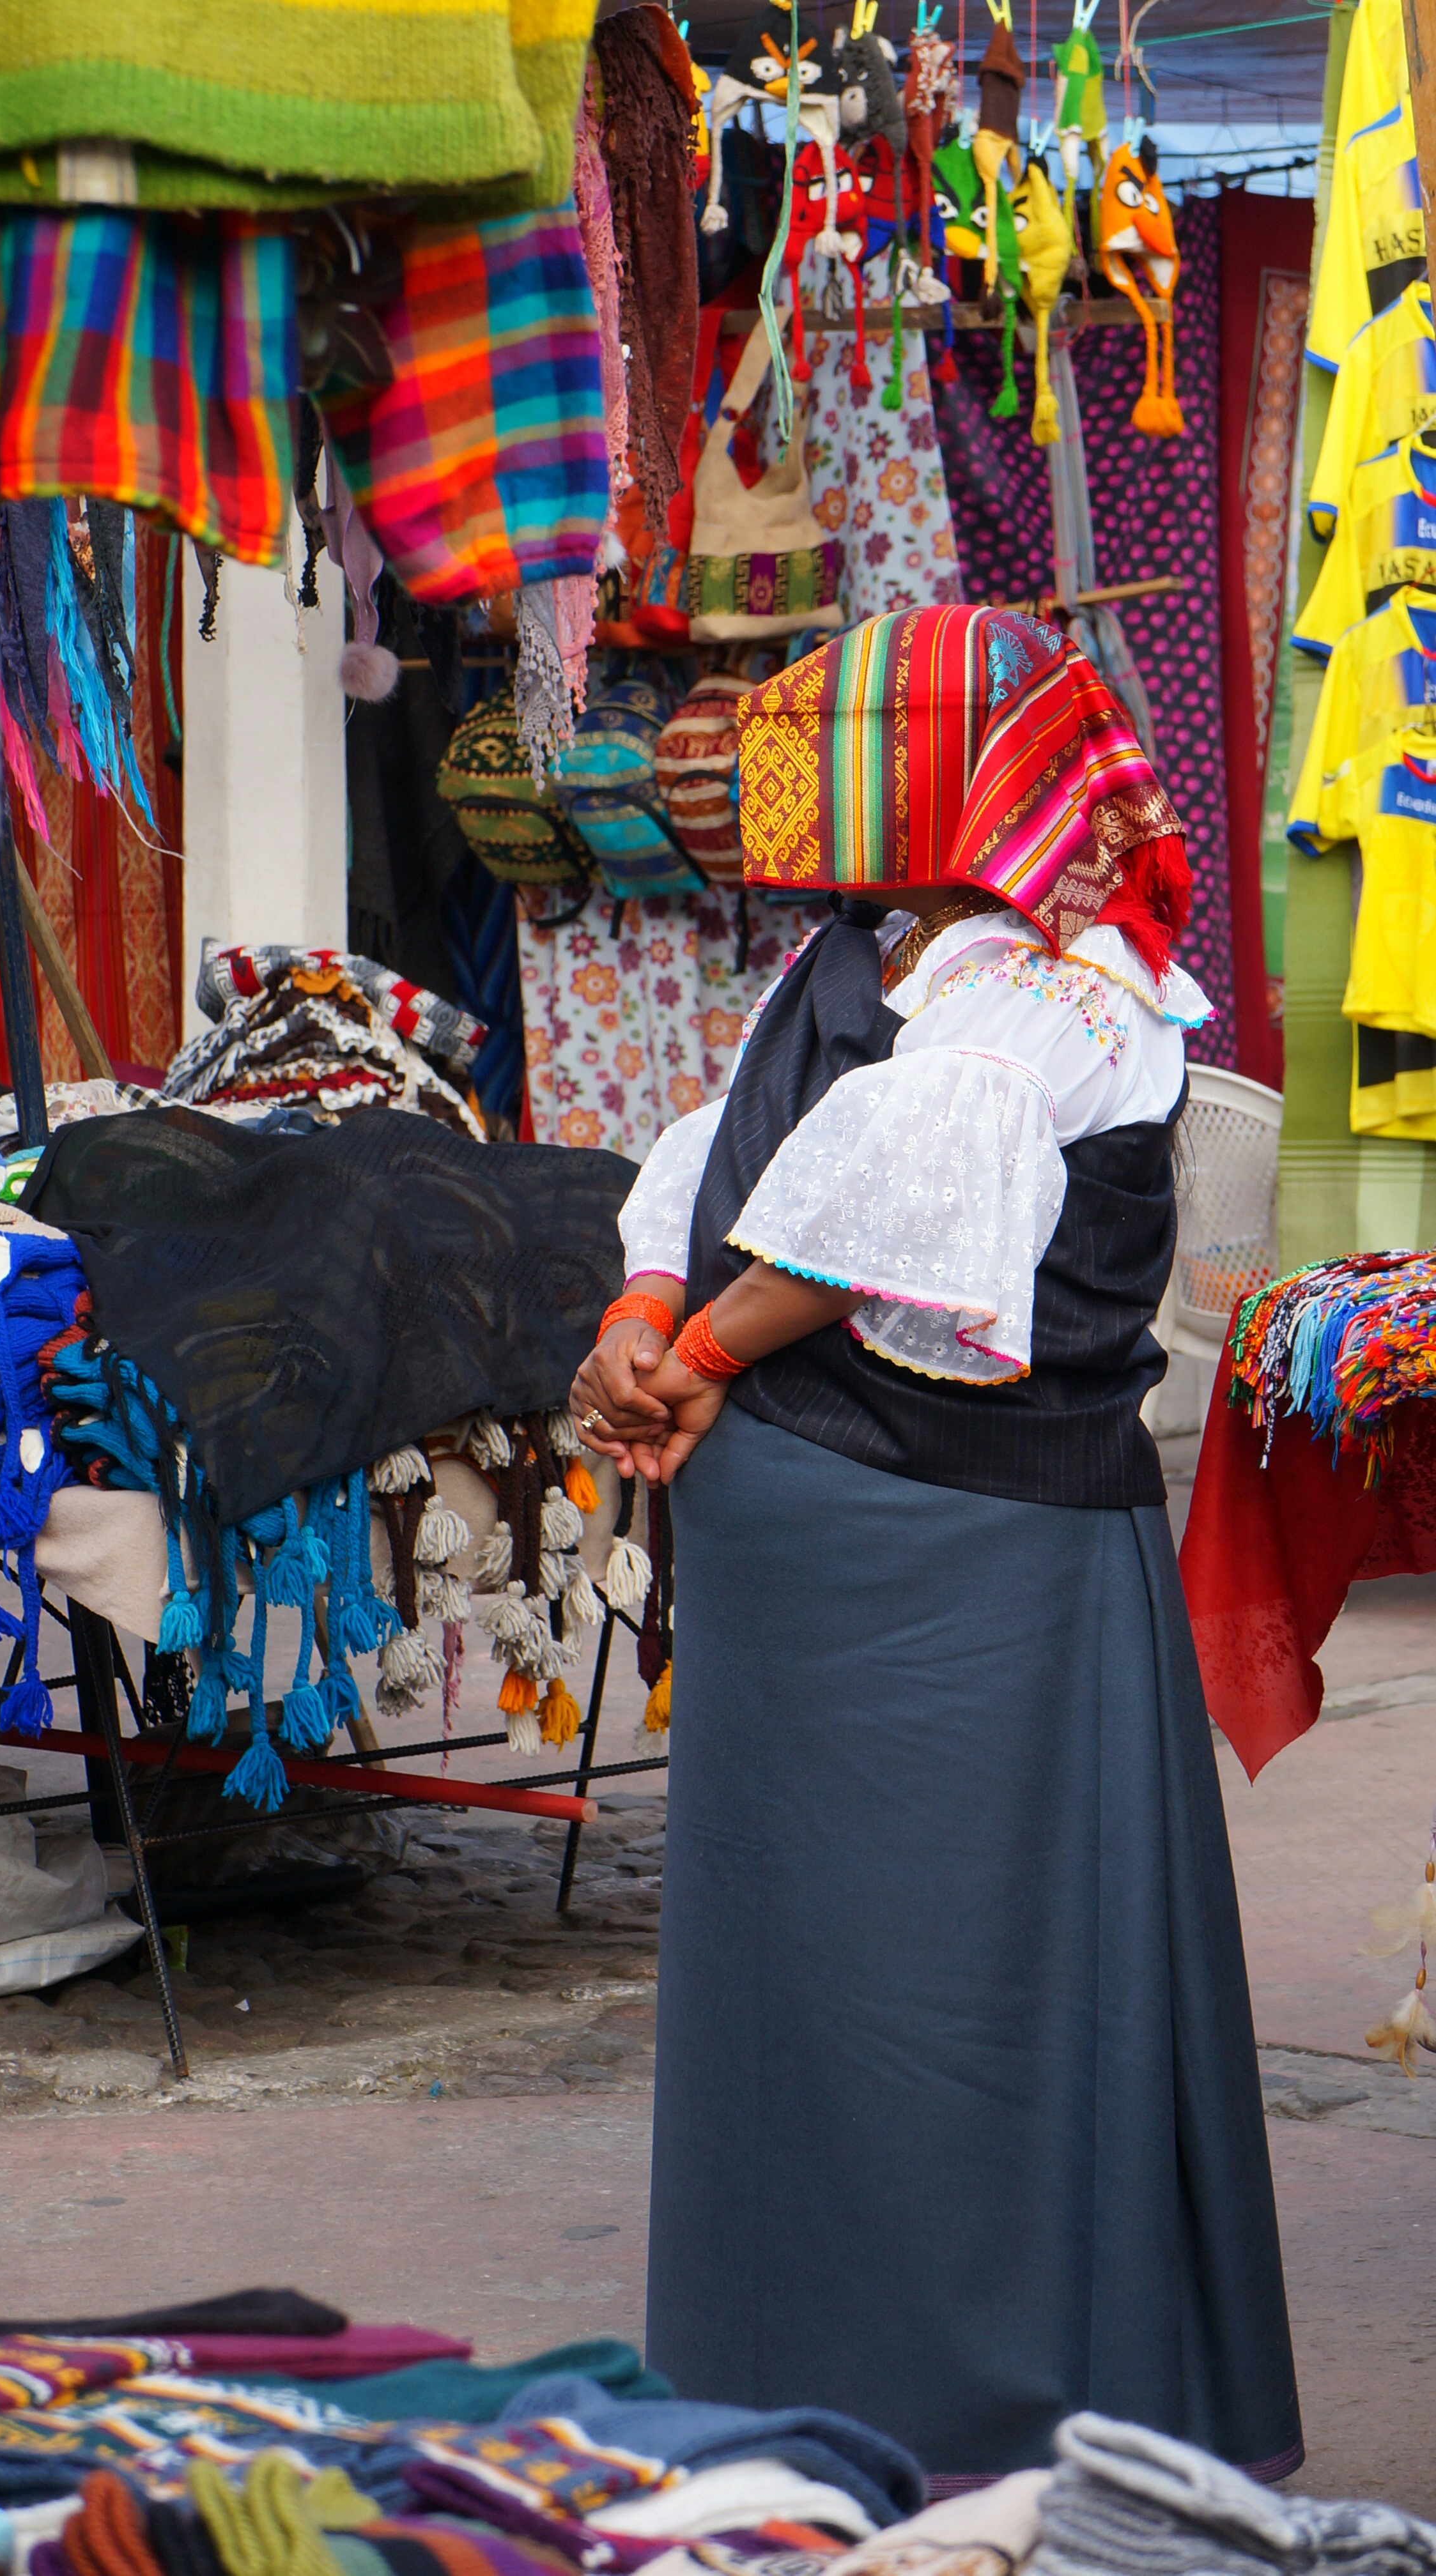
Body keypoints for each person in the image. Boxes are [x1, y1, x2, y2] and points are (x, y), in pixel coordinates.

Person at [570, 606, 1301, 2485]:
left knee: (963, 1984)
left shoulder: (1057, 985)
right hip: (821, 1563)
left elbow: (886, 1204)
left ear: (953, 778)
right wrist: (641, 1314)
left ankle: (977, 2407)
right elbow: (729, 1153)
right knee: (803, 1989)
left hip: (956, 1573)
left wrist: (694, 1358)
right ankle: (796, 2377)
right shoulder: (870, 948)